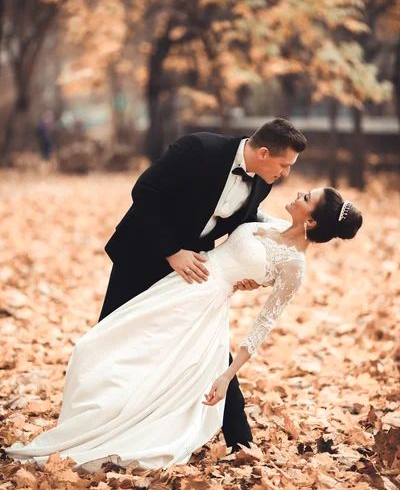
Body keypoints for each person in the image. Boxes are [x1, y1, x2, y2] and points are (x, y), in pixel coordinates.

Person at [5, 187, 362, 473]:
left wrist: (226, 375)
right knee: (97, 346)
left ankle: (115, 430)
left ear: (311, 223)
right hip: (179, 284)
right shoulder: (265, 222)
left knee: (148, 367)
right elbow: (240, 228)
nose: (298, 193)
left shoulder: (294, 266)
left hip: (204, 307)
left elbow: (264, 322)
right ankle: (90, 420)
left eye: (306, 198)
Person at [98, 119, 307, 453]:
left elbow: (245, 225)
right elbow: (145, 193)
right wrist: (171, 251)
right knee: (110, 340)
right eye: (284, 165)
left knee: (206, 349)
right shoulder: (199, 149)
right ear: (264, 153)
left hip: (194, 273)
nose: (285, 173)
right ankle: (97, 423)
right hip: (142, 255)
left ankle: (240, 441)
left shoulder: (262, 183)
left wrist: (250, 268)